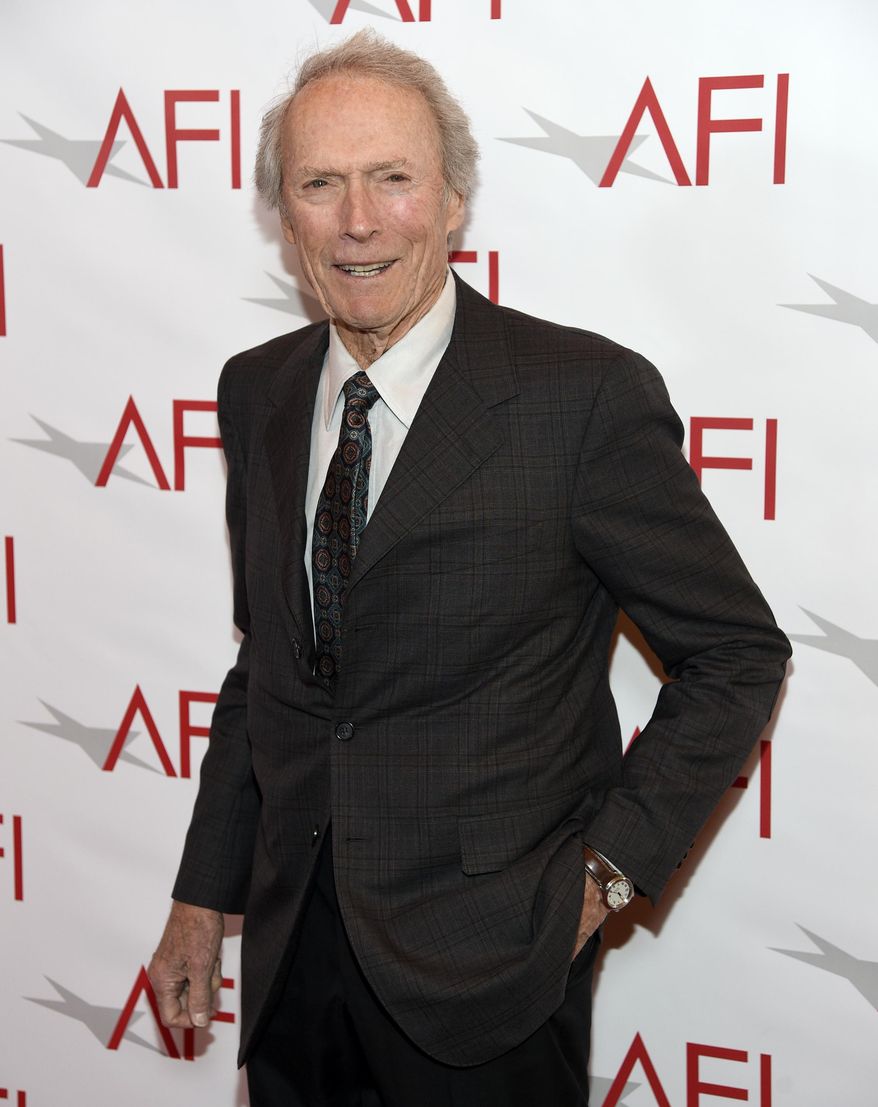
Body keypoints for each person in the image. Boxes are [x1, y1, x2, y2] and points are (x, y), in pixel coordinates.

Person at [148, 29, 791, 1107]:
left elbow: (732, 652)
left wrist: (600, 881)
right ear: (282, 214)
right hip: (292, 956)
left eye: (391, 179)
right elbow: (270, 665)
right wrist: (202, 897)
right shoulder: (253, 390)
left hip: (492, 971)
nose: (357, 221)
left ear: (452, 201)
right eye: (320, 184)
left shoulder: (576, 397)